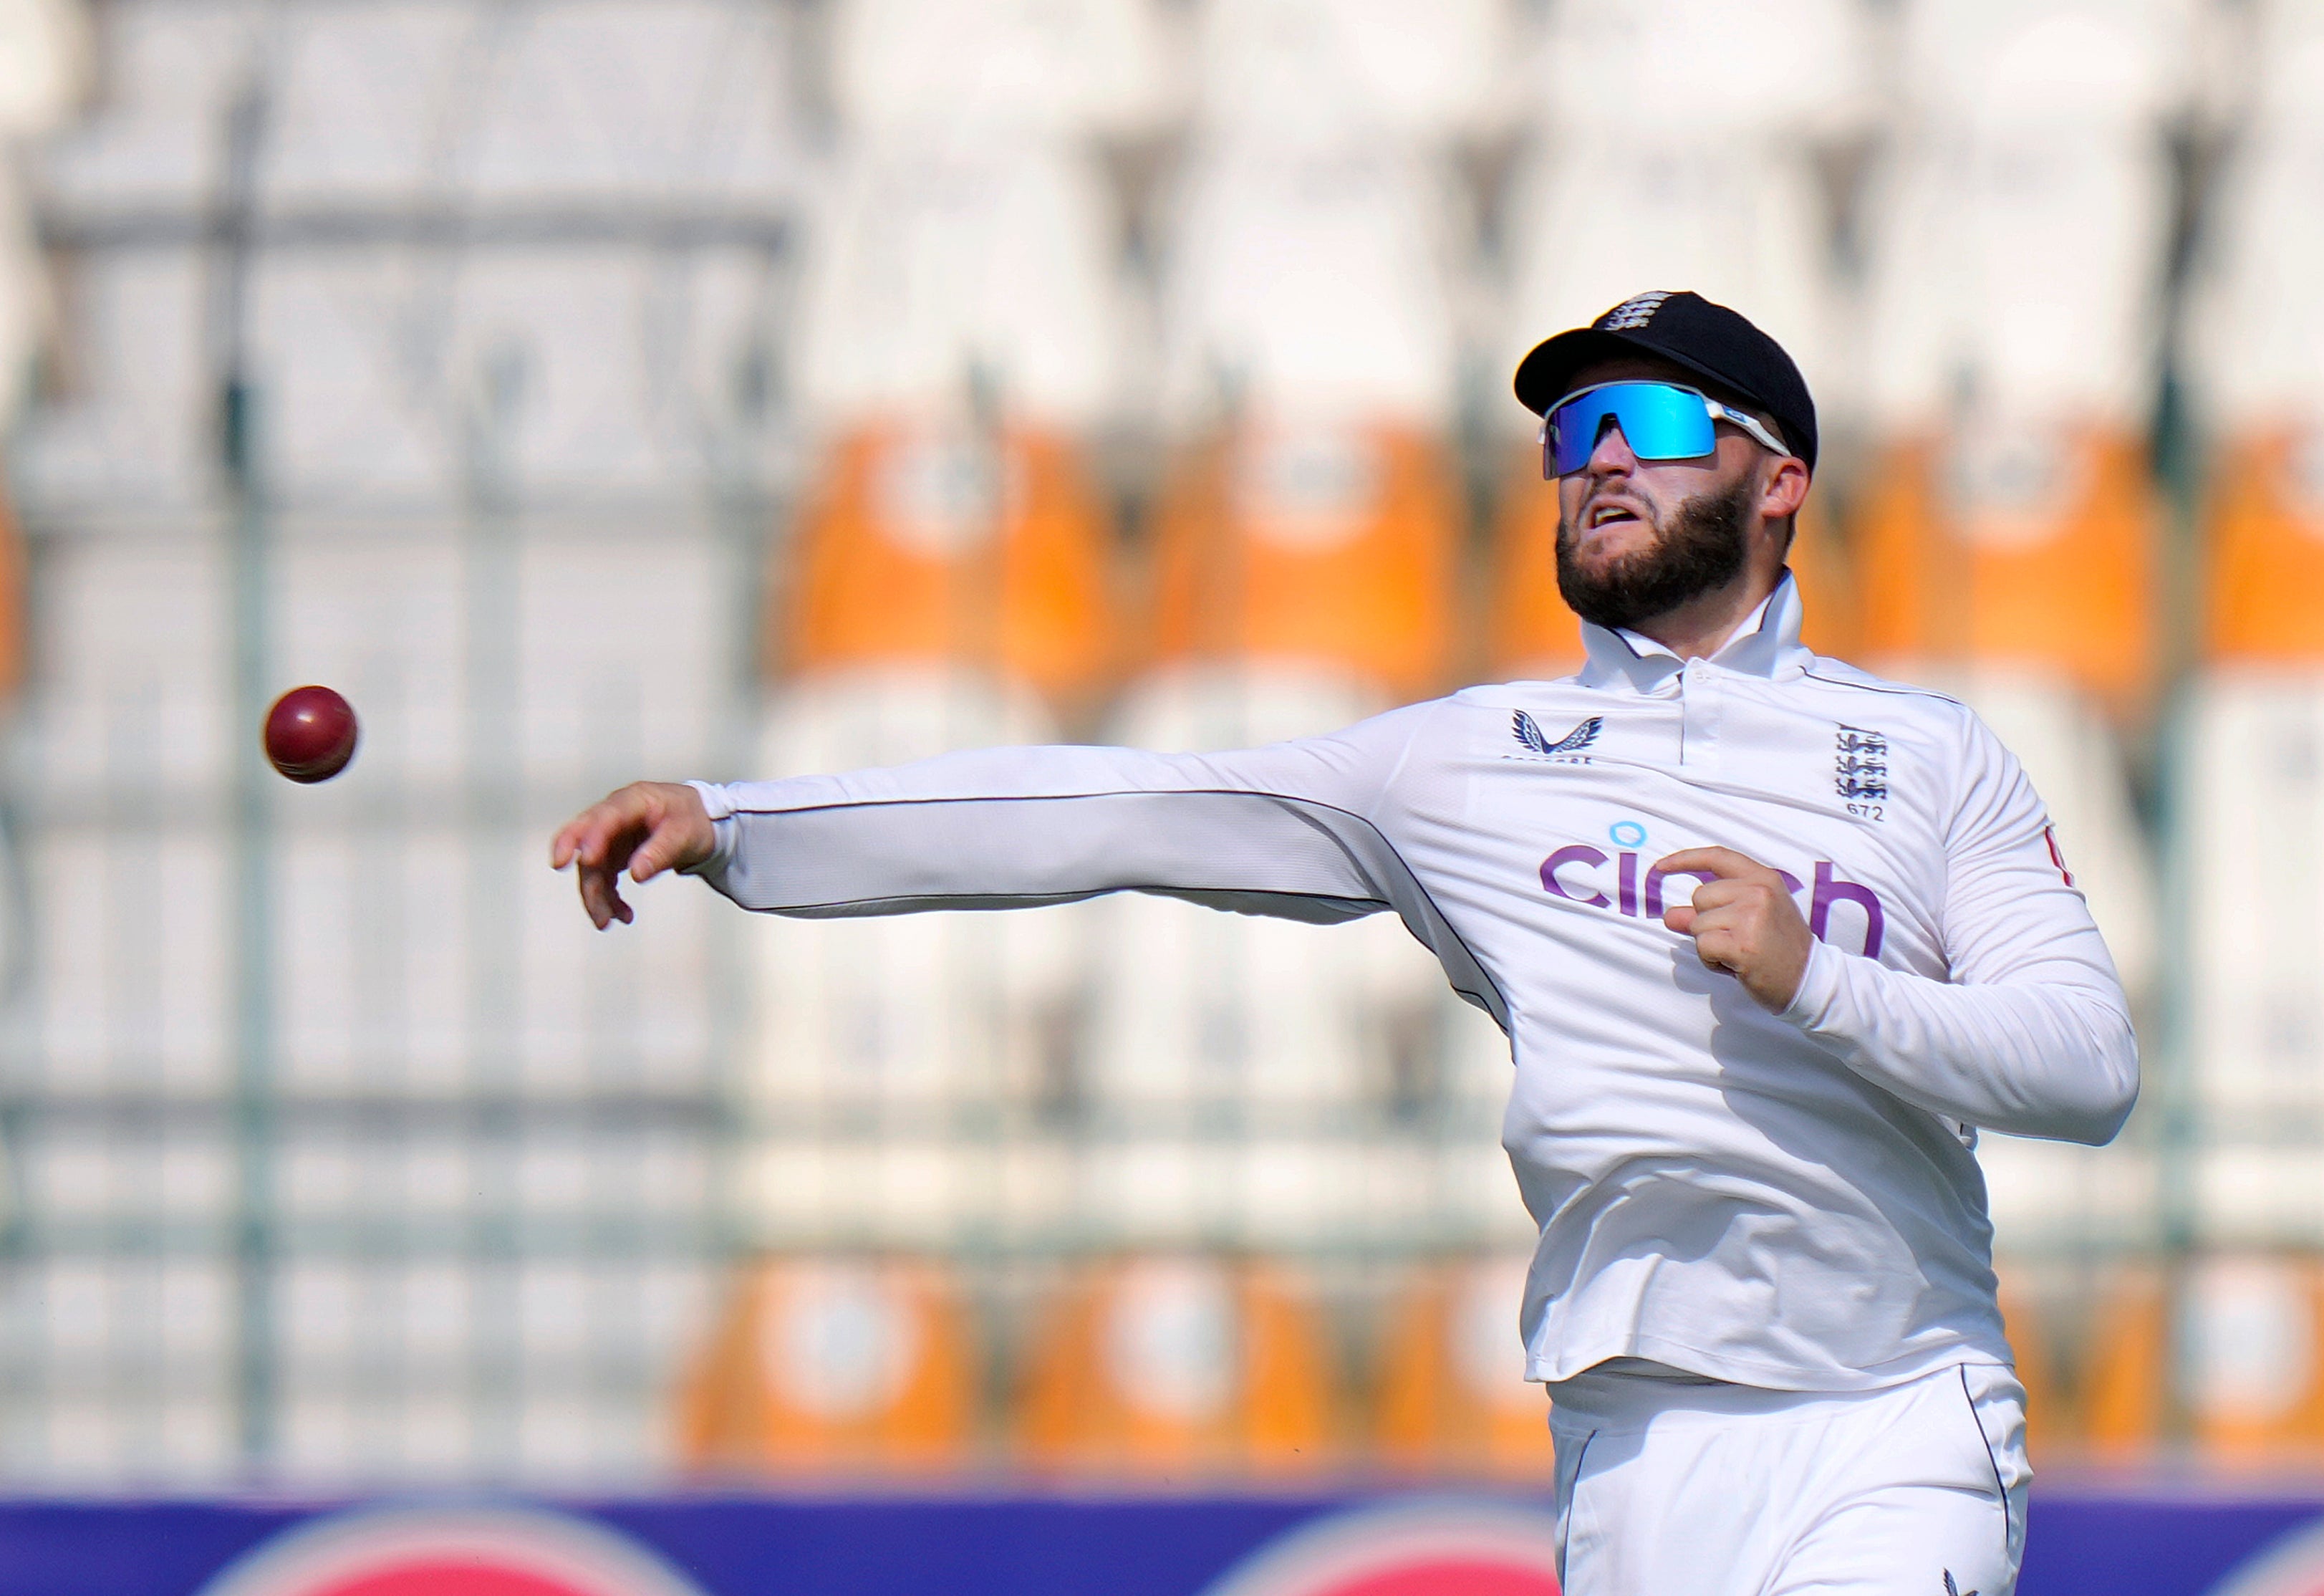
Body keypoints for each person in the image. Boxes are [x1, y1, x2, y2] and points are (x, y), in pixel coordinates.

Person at [551, 291, 2137, 1596]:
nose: (1595, 466)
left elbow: (2088, 1067)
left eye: (1644, 427)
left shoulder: (1929, 756)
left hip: (1890, 1419)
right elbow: (1116, 811)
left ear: (1779, 479)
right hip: (1635, 1452)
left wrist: (1822, 979)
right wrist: (738, 821)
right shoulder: (1468, 762)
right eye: (1568, 438)